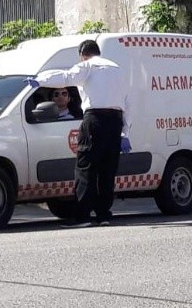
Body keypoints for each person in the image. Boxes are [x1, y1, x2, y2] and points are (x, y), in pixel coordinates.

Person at [26, 40, 131, 228]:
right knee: (107, 170)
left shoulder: (88, 66)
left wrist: (40, 81)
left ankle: (83, 216)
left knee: (86, 168)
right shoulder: (118, 69)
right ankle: (104, 215)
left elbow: (66, 78)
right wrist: (125, 132)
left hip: (95, 120)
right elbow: (127, 103)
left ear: (82, 54)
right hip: (115, 121)